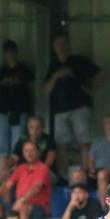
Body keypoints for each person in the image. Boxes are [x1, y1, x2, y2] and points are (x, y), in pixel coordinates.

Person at [43, 34, 102, 178]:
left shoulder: (79, 60)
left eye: (63, 44)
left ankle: (85, 174)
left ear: (69, 45)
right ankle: (64, 177)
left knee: (84, 142)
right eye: (58, 45)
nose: (61, 48)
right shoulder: (53, 65)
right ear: (54, 48)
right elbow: (46, 89)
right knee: (61, 144)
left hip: (80, 106)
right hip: (60, 109)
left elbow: (99, 74)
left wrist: (92, 90)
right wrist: (57, 75)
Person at [0, 141, 50, 219]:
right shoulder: (21, 168)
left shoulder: (43, 168)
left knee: (23, 207)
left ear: (38, 152)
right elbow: (7, 185)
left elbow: (37, 188)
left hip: (38, 208)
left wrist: (22, 200)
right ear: (23, 153)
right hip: (18, 204)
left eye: (32, 150)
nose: (29, 153)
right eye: (26, 151)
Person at [0, 39, 34, 176]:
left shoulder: (24, 69)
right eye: (7, 52)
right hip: (3, 111)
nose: (10, 54)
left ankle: (15, 177)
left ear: (16, 52)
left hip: (20, 111)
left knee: (17, 146)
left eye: (12, 51)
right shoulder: (1, 71)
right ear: (4, 54)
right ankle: (3, 177)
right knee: (2, 146)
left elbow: (31, 89)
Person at [9, 115, 57, 184]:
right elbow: (15, 157)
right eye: (32, 127)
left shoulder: (48, 139)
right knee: (7, 166)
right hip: (26, 171)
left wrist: (34, 170)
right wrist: (10, 165)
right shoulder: (22, 139)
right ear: (28, 128)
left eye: (38, 128)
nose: (34, 130)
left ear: (43, 128)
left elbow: (49, 160)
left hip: (45, 172)